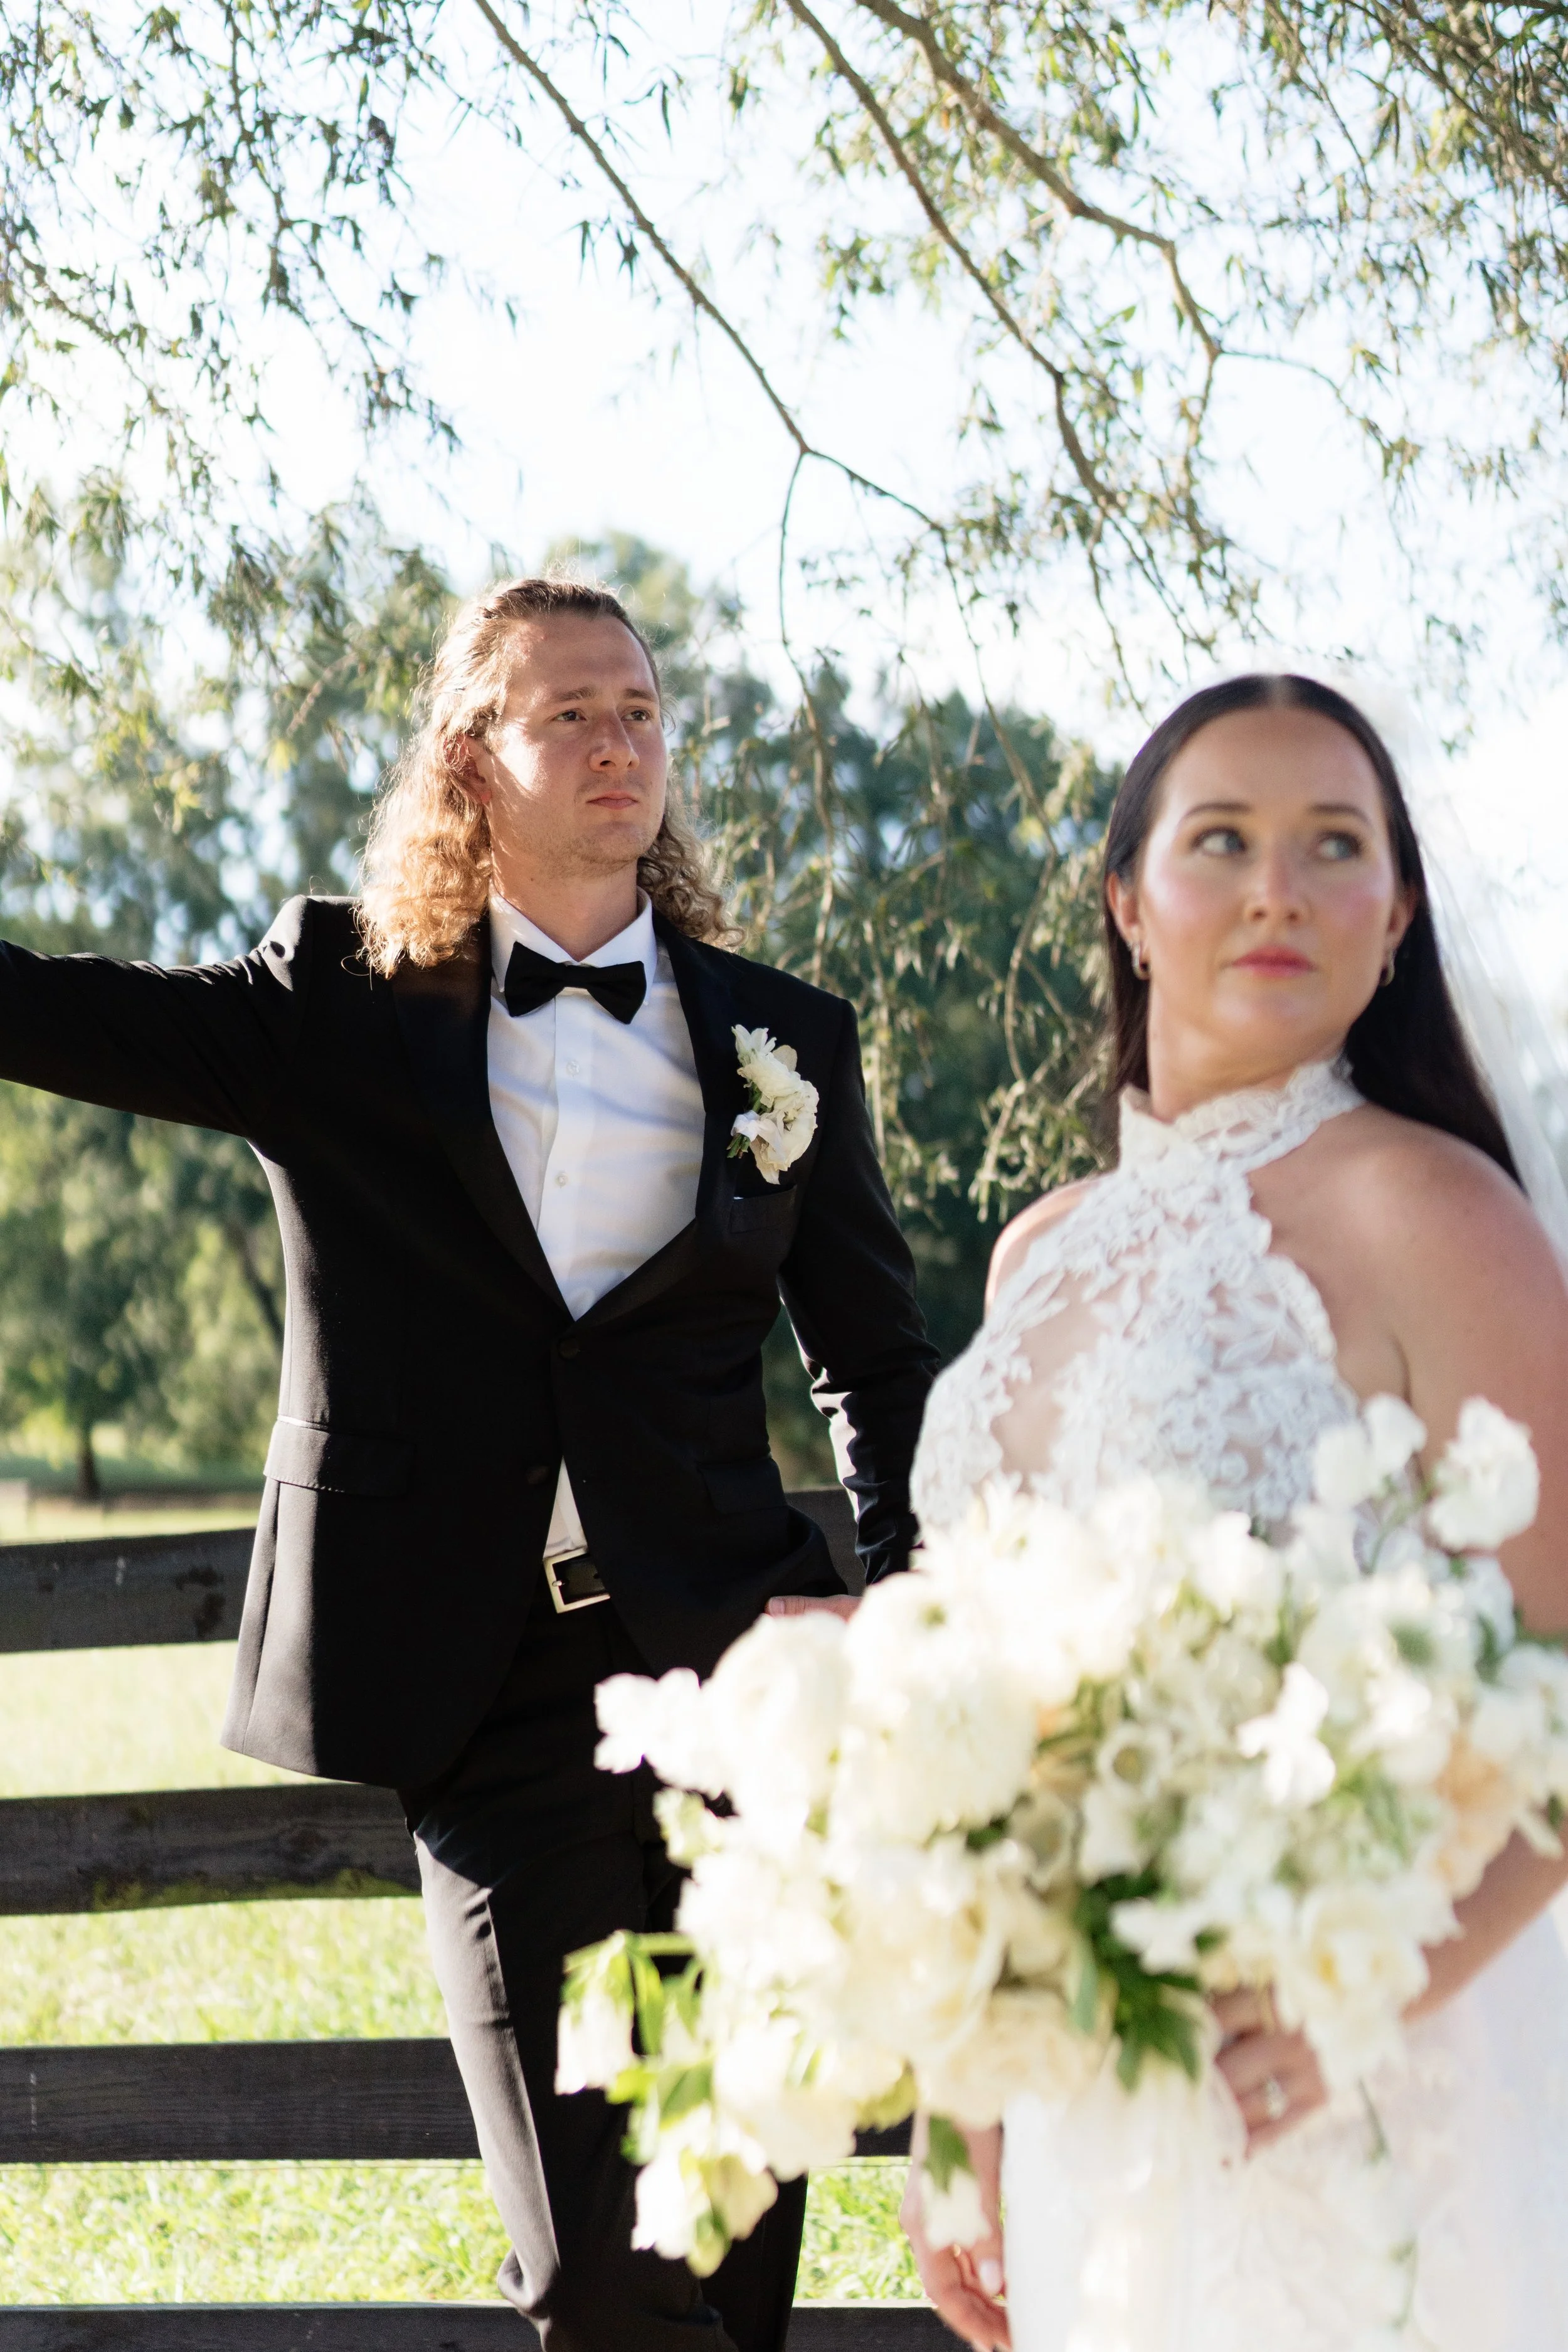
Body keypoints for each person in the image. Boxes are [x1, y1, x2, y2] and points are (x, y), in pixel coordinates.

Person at [0, 576, 936, 2350]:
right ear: (470, 758)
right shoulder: (338, 1007)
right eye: (568, 709)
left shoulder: (776, 1041)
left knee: (732, 2219)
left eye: (642, 709)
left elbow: (877, 1361)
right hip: (486, 1694)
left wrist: (893, 1607)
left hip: (736, 1680)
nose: (618, 740)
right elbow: (57, 1010)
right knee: (599, 2269)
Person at [900, 674, 1568, 2352]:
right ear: (1128, 899)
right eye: (1223, 839)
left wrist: (1364, 1994)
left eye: (1332, 844)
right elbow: (993, 1717)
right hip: (1085, 2090)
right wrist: (961, 2099)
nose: (1277, 884)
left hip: (1356, 2092)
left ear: (1393, 913)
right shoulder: (1037, 1249)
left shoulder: (1434, 1214)